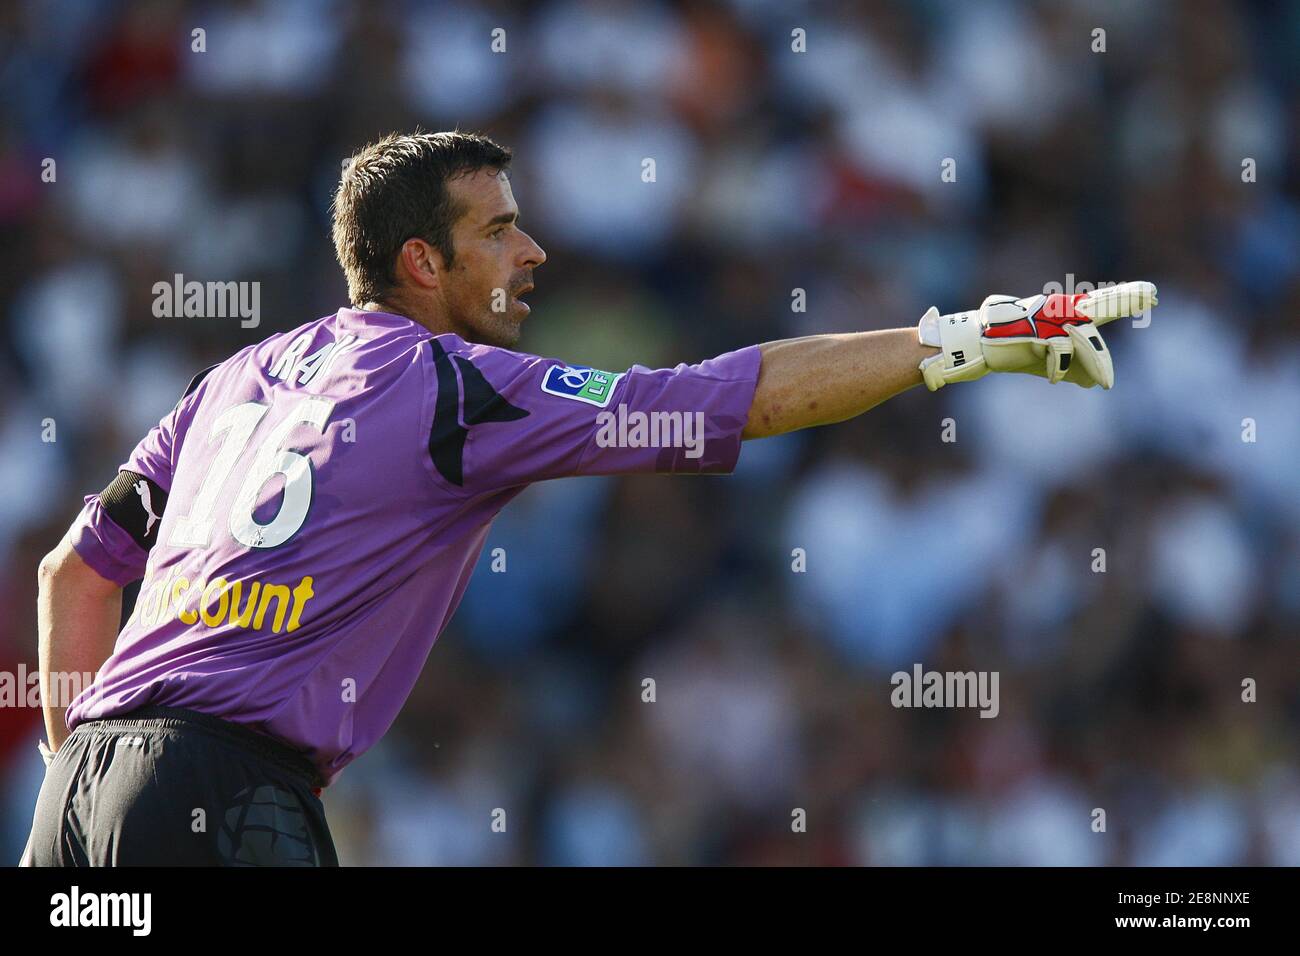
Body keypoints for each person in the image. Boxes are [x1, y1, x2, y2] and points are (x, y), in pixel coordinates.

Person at [21, 130, 1155, 865]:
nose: (533, 248)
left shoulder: (234, 378)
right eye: (499, 227)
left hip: (82, 791)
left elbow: (75, 571)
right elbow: (722, 400)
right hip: (231, 791)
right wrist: (952, 342)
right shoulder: (456, 386)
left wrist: (84, 770)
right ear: (422, 263)